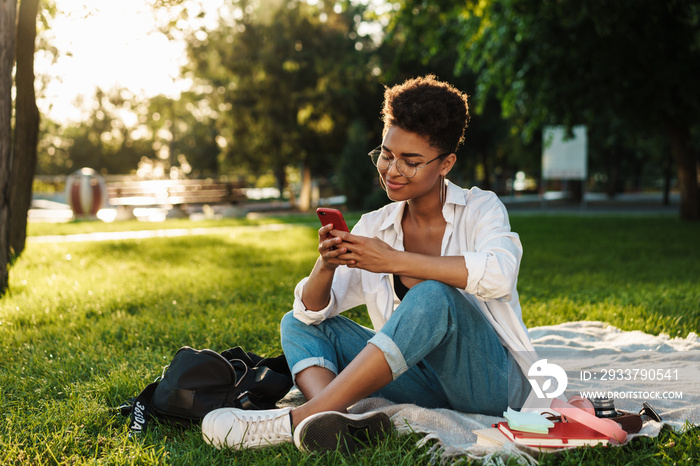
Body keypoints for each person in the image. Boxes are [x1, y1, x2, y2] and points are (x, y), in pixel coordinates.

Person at [201, 75, 535, 453]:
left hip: (484, 386)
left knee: (433, 296)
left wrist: (393, 260)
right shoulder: (376, 225)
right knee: (296, 321)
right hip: (419, 382)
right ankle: (335, 421)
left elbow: (499, 275)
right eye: (387, 154)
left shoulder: (481, 208)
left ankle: (300, 419)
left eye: (411, 162)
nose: (392, 170)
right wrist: (325, 265)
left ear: (446, 164)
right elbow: (310, 313)